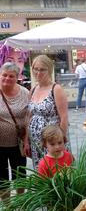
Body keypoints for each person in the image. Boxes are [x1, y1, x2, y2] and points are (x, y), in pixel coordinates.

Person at [27, 55, 69, 168]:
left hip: (53, 142)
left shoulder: (56, 89)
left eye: (42, 69)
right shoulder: (33, 89)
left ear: (49, 70)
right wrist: (26, 139)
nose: (38, 73)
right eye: (35, 69)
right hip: (37, 142)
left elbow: (64, 118)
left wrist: (61, 142)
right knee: (41, 170)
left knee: (55, 171)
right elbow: (29, 116)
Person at [0, 62, 29, 200]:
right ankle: (8, 205)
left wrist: (27, 140)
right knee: (1, 177)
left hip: (18, 143)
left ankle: (20, 201)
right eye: (4, 75)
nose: (7, 78)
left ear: (17, 77)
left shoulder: (25, 93)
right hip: (0, 144)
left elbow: (29, 117)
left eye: (11, 76)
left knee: (20, 174)